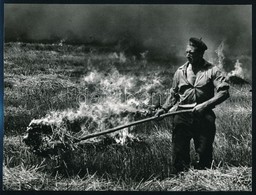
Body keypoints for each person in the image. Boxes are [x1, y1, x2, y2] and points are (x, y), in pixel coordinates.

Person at [155, 37, 230, 173]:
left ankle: (203, 182)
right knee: (179, 154)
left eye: (192, 52)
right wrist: (163, 109)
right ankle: (181, 183)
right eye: (186, 52)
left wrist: (204, 105)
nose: (188, 55)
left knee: (204, 153)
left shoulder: (212, 70)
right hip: (181, 116)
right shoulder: (180, 72)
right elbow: (173, 95)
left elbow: (224, 92)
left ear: (201, 53)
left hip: (203, 116)